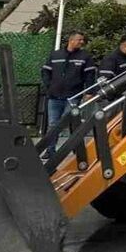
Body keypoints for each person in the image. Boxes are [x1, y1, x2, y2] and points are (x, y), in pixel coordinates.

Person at [40, 31, 97, 159]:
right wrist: (49, 86)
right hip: (54, 96)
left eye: (82, 40)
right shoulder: (56, 54)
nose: (82, 42)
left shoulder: (85, 57)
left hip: (73, 96)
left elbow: (89, 76)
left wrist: (89, 91)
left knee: (69, 121)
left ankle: (75, 149)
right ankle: (50, 150)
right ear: (71, 40)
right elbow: (45, 71)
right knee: (53, 124)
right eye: (79, 39)